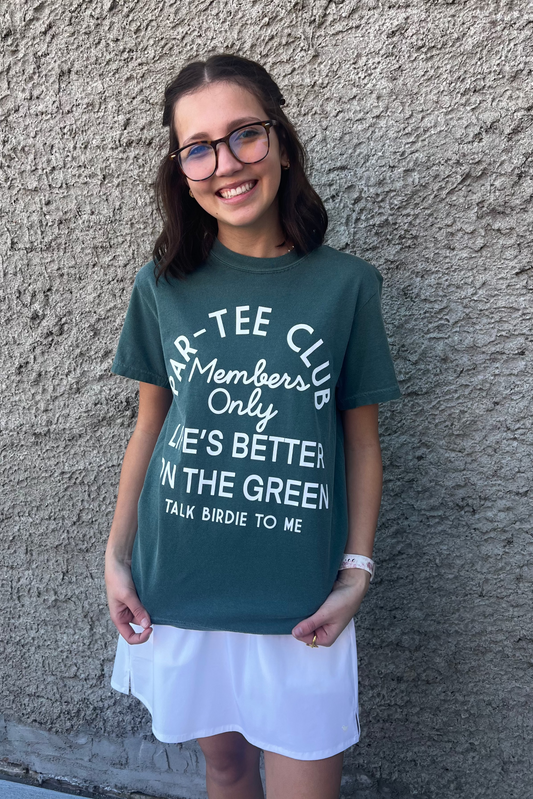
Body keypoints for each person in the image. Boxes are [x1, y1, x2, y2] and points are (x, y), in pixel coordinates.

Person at [105, 52, 401, 799]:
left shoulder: (346, 286)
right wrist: (115, 558)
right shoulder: (162, 284)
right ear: (181, 168)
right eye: (197, 147)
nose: (224, 164)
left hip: (301, 603)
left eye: (245, 135)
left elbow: (360, 441)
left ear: (281, 142)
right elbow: (150, 426)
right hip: (180, 583)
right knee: (226, 769)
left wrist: (354, 573)